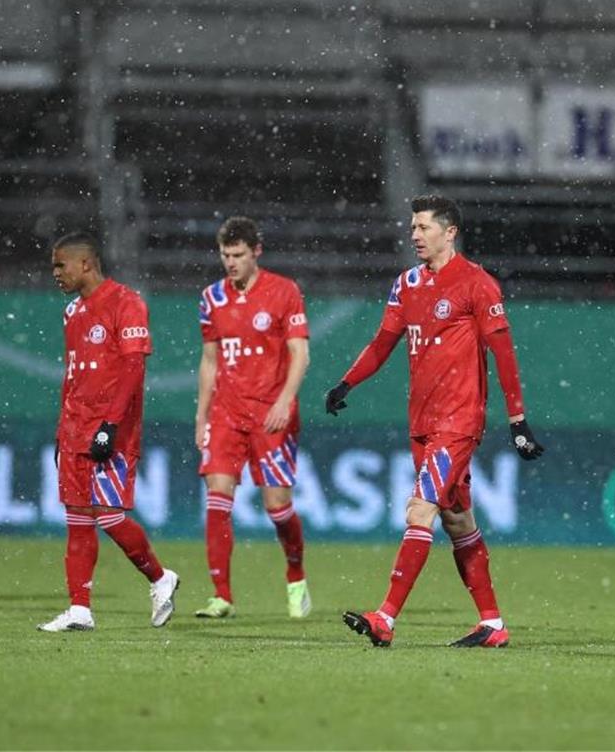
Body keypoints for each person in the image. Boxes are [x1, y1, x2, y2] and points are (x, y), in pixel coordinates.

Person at [327, 194, 545, 648]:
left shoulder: (477, 284)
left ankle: (385, 617)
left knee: (419, 509)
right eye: (412, 227)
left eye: (423, 227)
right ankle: (493, 624)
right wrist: (347, 384)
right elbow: (382, 342)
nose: (414, 235)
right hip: (422, 422)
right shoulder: (406, 284)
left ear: (449, 232)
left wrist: (518, 420)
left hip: (459, 421)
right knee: (458, 522)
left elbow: (503, 353)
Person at [38, 232, 179, 632]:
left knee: (110, 516)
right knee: (78, 519)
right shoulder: (72, 313)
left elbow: (134, 369)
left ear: (85, 263)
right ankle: (80, 609)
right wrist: (60, 431)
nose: (56, 274)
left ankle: (160, 577)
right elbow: (70, 375)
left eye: (60, 264)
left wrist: (111, 425)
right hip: (74, 429)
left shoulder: (126, 303)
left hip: (110, 430)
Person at [193, 217, 312, 619]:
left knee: (277, 506)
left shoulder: (284, 292)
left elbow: (300, 353)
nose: (231, 262)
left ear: (256, 252)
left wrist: (285, 400)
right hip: (227, 413)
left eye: (238, 255)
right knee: (217, 497)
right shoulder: (211, 298)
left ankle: (295, 575)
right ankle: (221, 594)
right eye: (225, 255)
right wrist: (201, 416)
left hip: (271, 414)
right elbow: (209, 361)